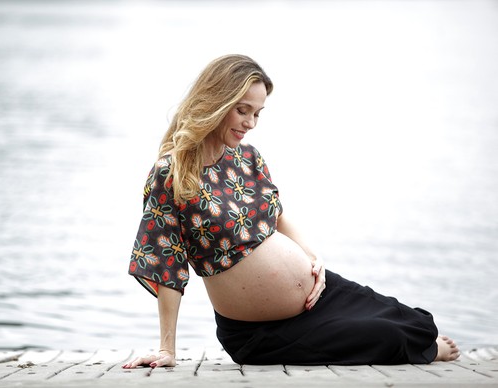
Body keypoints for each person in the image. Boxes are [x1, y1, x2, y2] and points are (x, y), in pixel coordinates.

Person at [123, 54, 460, 368]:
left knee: (412, 320)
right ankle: (428, 353)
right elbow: (164, 261)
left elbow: (277, 216)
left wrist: (314, 259)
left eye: (257, 113)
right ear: (216, 101)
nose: (251, 123)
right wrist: (168, 348)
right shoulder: (173, 172)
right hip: (260, 332)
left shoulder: (247, 157)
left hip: (319, 294)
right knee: (393, 336)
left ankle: (421, 341)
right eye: (243, 110)